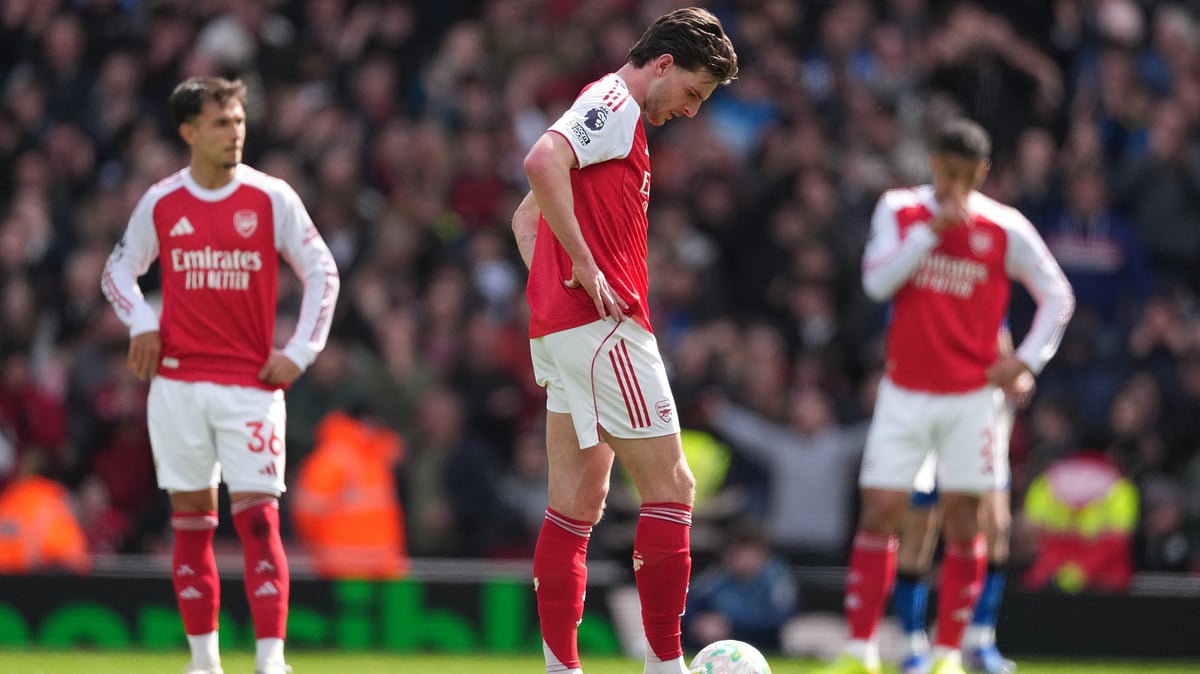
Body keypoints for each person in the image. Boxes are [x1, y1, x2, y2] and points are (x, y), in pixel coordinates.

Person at [509, 8, 737, 674]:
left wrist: (556, 276)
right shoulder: (613, 102)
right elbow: (538, 159)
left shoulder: (608, 114)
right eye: (692, 93)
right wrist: (581, 263)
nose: (691, 112)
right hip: (607, 329)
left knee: (576, 505)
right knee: (673, 488)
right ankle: (666, 666)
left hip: (564, 332)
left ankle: (561, 668)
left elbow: (526, 218)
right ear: (663, 65)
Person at [813, 118, 1075, 674]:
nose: (955, 187)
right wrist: (931, 231)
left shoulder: (1005, 228)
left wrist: (1024, 361)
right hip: (904, 391)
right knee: (881, 510)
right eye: (946, 172)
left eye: (966, 176)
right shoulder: (901, 209)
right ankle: (861, 650)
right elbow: (877, 282)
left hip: (971, 398)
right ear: (932, 163)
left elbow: (1057, 294)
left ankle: (948, 652)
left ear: (982, 173)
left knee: (964, 521)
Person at [101, 76, 340, 674]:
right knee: (192, 523)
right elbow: (117, 273)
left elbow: (323, 272)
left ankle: (270, 661)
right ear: (189, 133)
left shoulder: (272, 197)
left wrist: (302, 350)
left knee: (259, 521)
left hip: (251, 387)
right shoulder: (162, 202)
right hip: (177, 385)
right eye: (220, 123)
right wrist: (142, 322)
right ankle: (204, 661)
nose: (235, 133)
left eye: (238, 121)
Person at [891, 329, 1031, 674]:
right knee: (919, 531)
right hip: (930, 414)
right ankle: (912, 646)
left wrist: (1021, 373)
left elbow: (1005, 347)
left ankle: (979, 640)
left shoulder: (991, 293)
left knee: (996, 524)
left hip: (982, 421)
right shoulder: (928, 289)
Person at [290, 409, 409, 579]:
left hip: (384, 564)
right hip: (343, 564)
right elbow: (307, 512)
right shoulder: (333, 458)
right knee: (352, 603)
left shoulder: (375, 456)